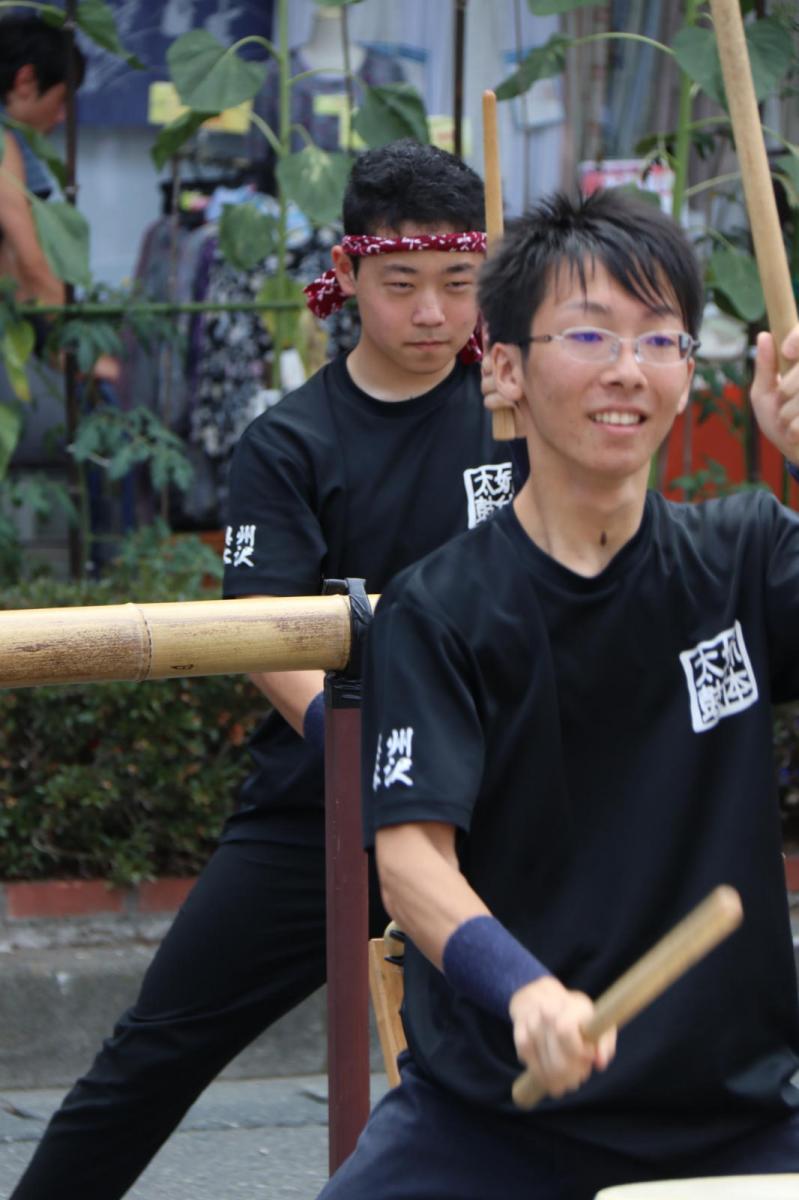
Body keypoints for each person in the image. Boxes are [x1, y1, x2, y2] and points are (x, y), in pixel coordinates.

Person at [10, 138, 522, 1199]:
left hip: (505, 802)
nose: (433, 314)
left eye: (459, 286)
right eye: (403, 286)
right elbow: (268, 633)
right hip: (326, 806)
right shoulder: (289, 442)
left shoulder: (514, 411)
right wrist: (382, 761)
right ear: (343, 277)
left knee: (551, 1045)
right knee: (159, 1046)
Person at [317, 189, 799, 1200]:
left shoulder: (745, 558)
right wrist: (523, 990)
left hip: (733, 1117)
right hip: (492, 1120)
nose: (628, 369)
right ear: (503, 370)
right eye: (589, 334)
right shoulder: (442, 608)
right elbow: (410, 859)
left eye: (659, 339)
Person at [0, 13, 85, 308]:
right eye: (62, 100)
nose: (62, 116)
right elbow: (29, 262)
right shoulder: (4, 143)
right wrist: (83, 346)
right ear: (26, 81)